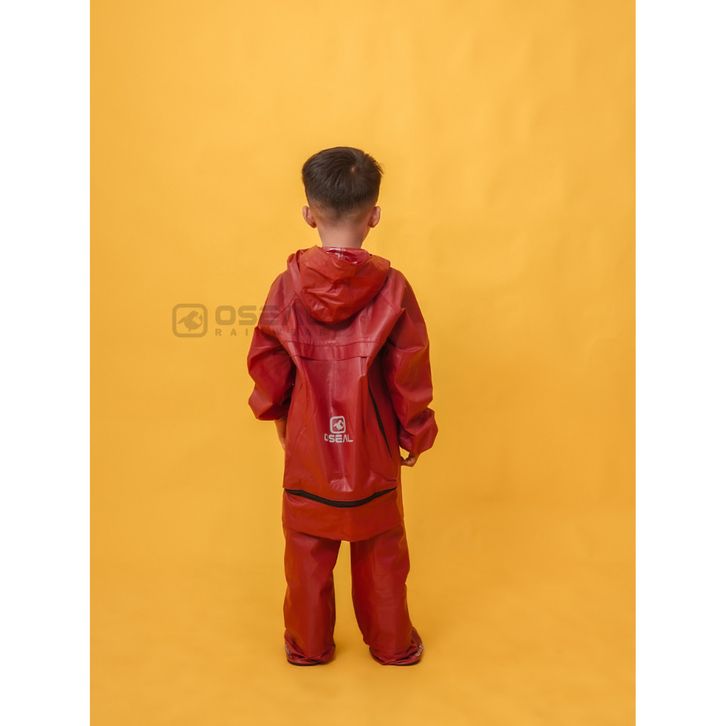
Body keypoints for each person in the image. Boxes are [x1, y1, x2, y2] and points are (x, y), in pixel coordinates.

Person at [246, 146, 438, 666]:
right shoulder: (394, 288)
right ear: (374, 216)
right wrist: (415, 431)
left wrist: (279, 414)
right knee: (381, 547)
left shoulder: (286, 287)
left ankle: (308, 646)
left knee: (306, 548)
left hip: (309, 441)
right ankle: (393, 645)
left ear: (309, 214)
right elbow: (410, 368)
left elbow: (267, 360)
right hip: (372, 447)